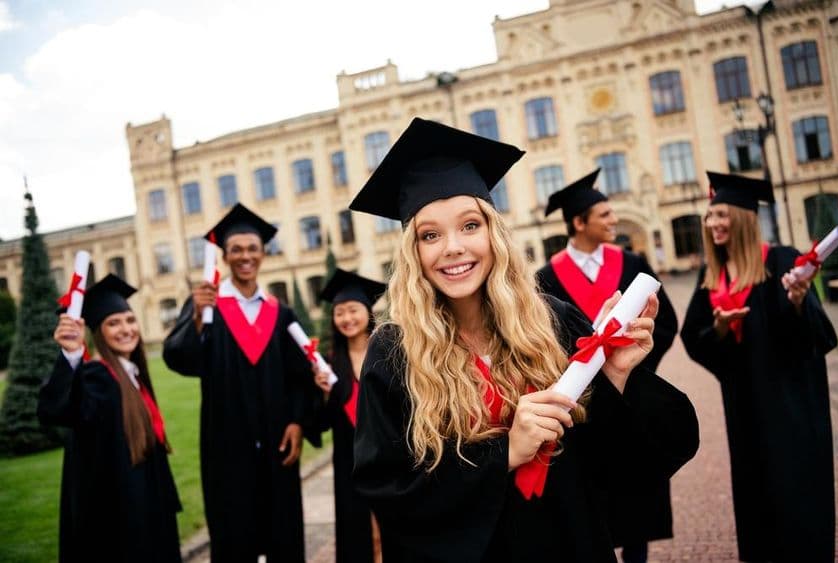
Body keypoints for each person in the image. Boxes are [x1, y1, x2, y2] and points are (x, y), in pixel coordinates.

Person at [348, 117, 699, 562]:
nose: (453, 246)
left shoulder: (552, 322)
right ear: (413, 252)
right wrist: (505, 453)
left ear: (495, 234)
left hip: (570, 544)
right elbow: (389, 490)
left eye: (470, 225)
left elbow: (622, 462)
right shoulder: (394, 353)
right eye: (430, 235)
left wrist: (615, 376)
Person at [680, 171, 837, 563]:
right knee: (756, 496)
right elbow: (692, 336)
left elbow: (819, 338)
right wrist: (717, 329)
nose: (713, 222)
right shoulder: (710, 275)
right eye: (709, 215)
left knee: (795, 498)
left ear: (743, 217)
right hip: (744, 406)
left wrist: (799, 302)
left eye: (721, 214)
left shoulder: (779, 260)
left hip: (790, 407)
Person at [162, 203, 320, 562]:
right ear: (225, 256)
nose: (245, 256)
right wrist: (197, 321)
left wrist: (297, 421)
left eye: (252, 248)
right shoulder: (207, 307)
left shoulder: (281, 313)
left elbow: (301, 377)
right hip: (227, 445)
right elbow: (179, 358)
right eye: (236, 249)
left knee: (284, 534)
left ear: (263, 253)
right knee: (234, 537)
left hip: (279, 443)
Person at [536, 169, 679, 562]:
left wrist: (636, 364)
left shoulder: (632, 262)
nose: (613, 220)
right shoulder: (546, 278)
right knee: (589, 494)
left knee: (635, 488)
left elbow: (665, 322)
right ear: (579, 222)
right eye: (604, 214)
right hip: (579, 406)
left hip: (631, 395)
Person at [38, 274, 182, 562]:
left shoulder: (131, 375)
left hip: (146, 508)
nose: (126, 329)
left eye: (130, 320)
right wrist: (73, 355)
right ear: (99, 333)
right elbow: (62, 409)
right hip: (121, 518)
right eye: (113, 323)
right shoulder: (98, 376)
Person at [313, 268, 387, 563]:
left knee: (389, 531)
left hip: (389, 459)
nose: (347, 318)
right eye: (340, 312)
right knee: (361, 536)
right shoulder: (329, 365)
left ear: (367, 312)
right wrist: (323, 394)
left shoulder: (388, 350)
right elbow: (320, 424)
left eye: (353, 310)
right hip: (350, 466)